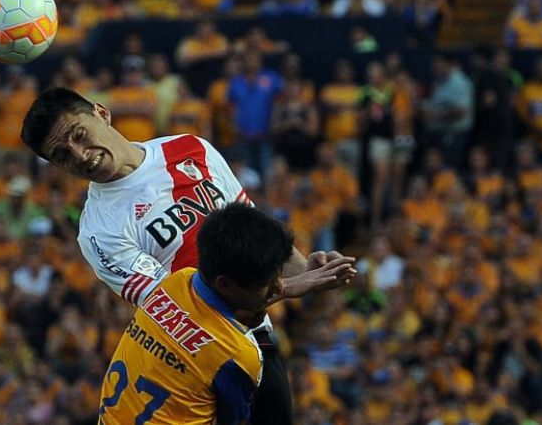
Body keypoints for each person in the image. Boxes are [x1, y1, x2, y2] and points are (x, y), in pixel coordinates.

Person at [21, 87, 356, 425]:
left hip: (256, 342)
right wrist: (283, 288)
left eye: (79, 135)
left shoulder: (191, 149)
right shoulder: (98, 231)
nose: (78, 155)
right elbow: (178, 312)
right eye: (62, 155)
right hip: (192, 375)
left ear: (101, 113)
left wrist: (304, 267)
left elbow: (252, 227)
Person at [99, 203, 353, 424]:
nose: (279, 285)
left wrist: (288, 286)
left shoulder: (175, 283)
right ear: (225, 285)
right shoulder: (238, 356)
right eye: (268, 282)